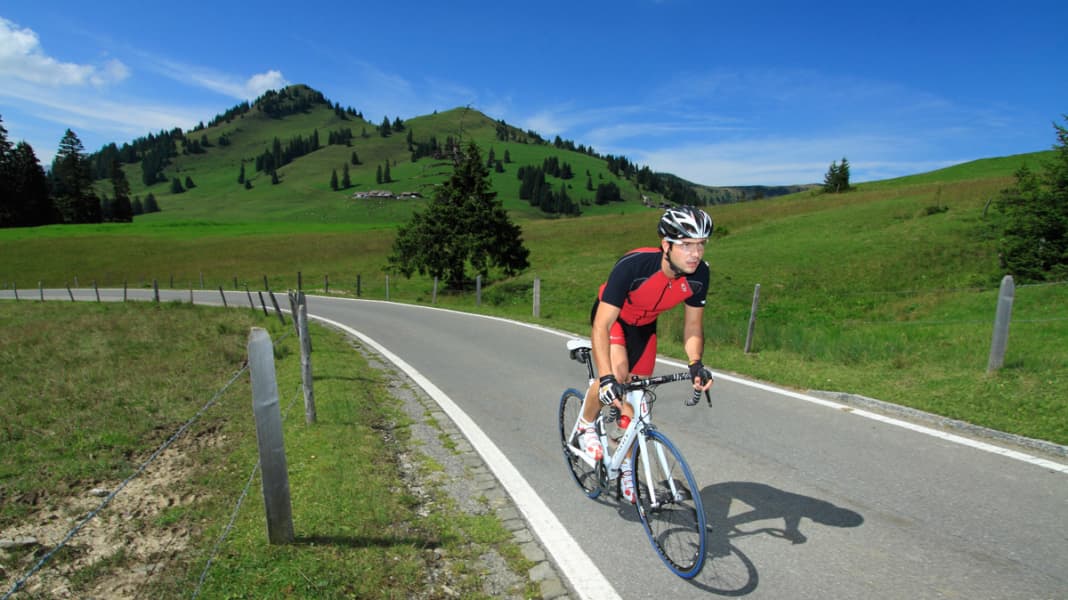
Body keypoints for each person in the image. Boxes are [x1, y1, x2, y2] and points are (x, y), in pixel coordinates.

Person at [579, 205, 715, 503]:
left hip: (644, 327)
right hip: (614, 320)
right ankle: (585, 424)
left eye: (701, 244)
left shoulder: (699, 275)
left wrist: (695, 363)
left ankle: (627, 469)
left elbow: (693, 326)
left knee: (638, 400)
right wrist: (605, 378)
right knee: (618, 376)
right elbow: (602, 325)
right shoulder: (634, 266)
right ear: (666, 245)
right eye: (686, 245)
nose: (696, 253)